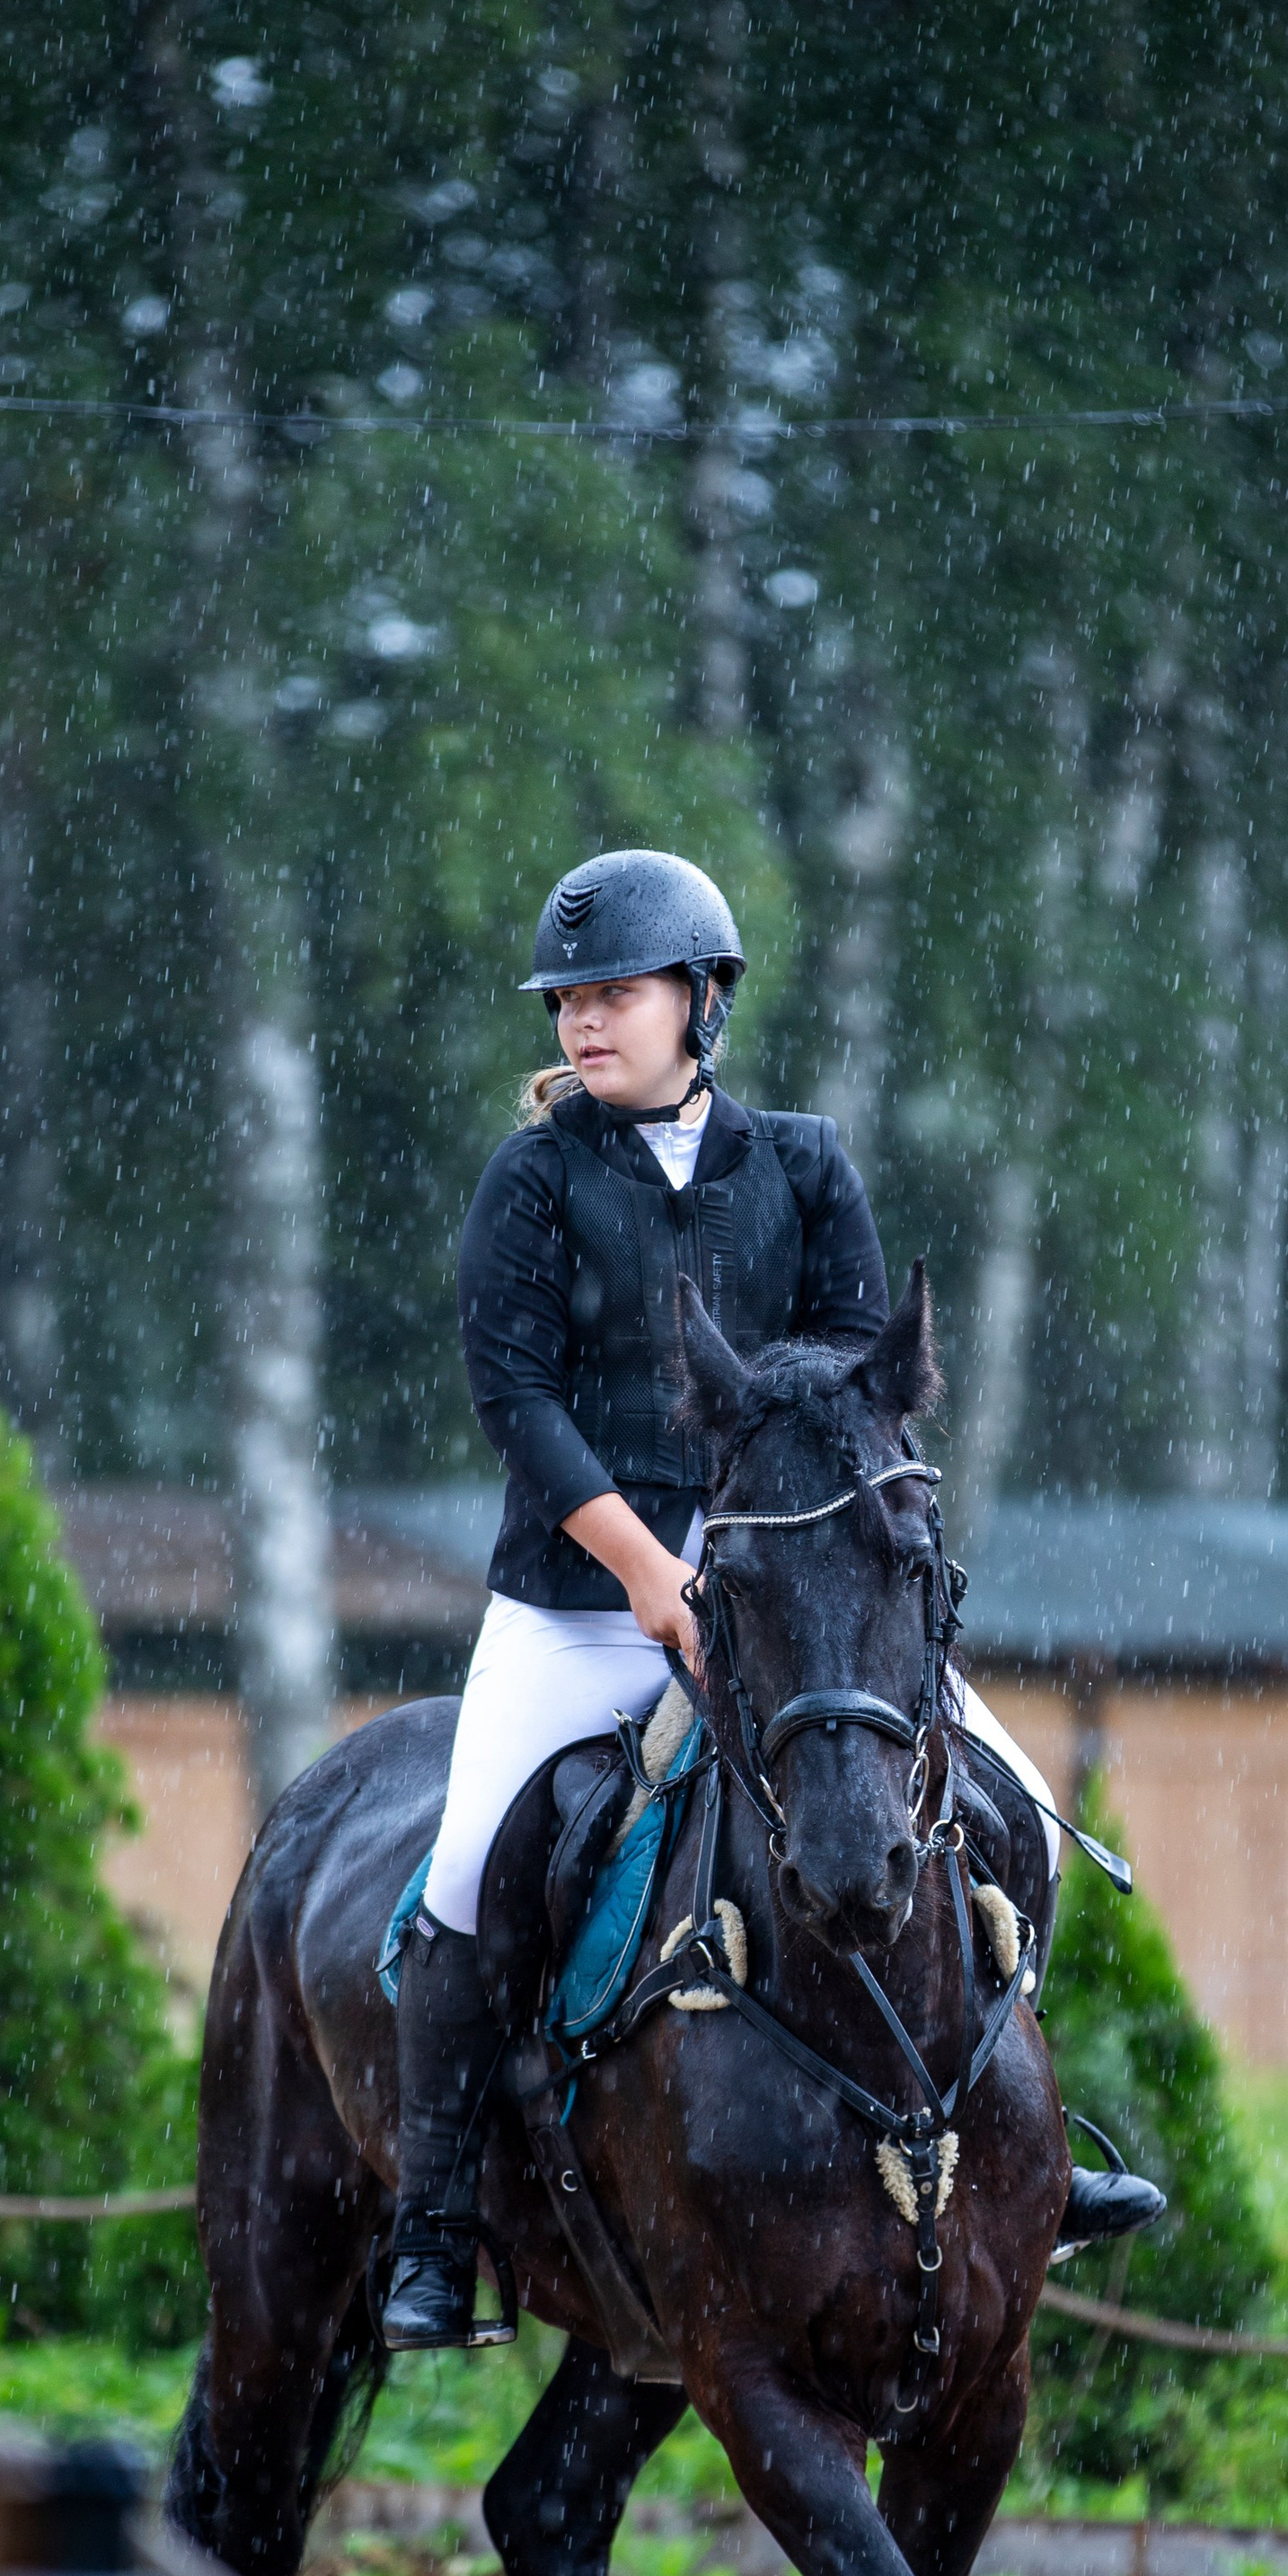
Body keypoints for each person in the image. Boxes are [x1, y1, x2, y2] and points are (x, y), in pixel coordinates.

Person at [382, 847, 1073, 2351]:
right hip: (578, 1598)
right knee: (463, 1876)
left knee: (1013, 1812)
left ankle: (1026, 2159)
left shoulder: (807, 1165)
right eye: (568, 999)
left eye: (615, 994)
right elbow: (517, 1392)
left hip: (797, 1602)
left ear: (701, 1000)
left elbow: (852, 1370)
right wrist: (648, 1568)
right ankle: (434, 2228)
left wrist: (766, 1550)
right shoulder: (538, 1179)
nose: (584, 1022)